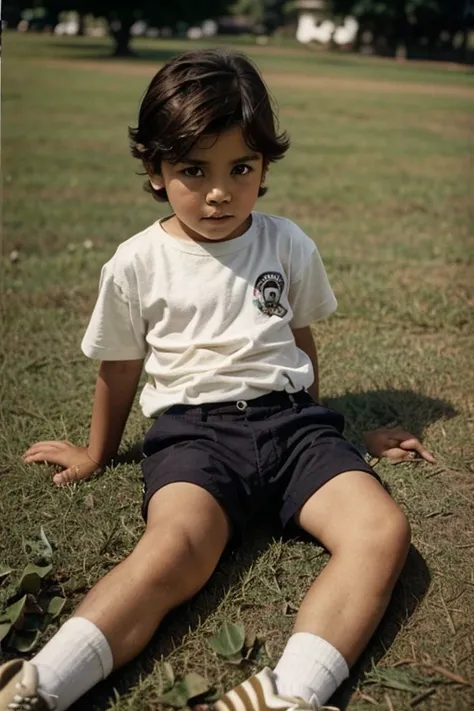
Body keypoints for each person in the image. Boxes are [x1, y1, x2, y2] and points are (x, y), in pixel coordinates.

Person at [0, 49, 435, 711]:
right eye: (191, 169)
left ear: (264, 165)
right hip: (194, 439)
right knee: (176, 547)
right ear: (154, 169)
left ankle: (289, 692)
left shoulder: (288, 244)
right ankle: (37, 685)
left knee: (381, 531)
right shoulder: (136, 262)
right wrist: (95, 453)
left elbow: (298, 341)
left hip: (295, 430)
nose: (218, 191)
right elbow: (119, 369)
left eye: (240, 168)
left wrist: (333, 440)